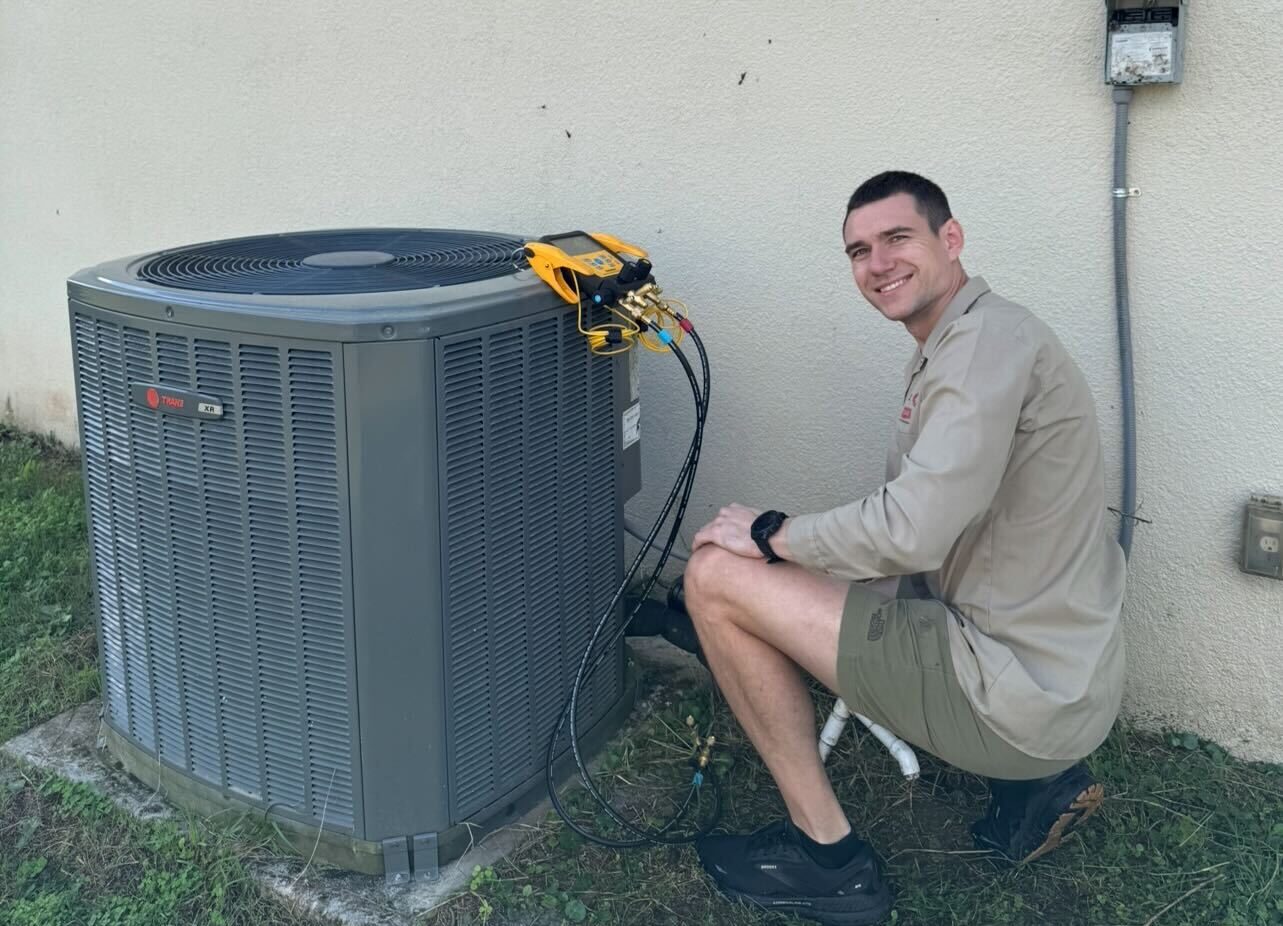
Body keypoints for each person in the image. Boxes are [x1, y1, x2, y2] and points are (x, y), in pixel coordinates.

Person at [682, 170, 1126, 925]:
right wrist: (797, 560)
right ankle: (1031, 787)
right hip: (1058, 677)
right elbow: (929, 536)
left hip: (1012, 692)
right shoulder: (979, 335)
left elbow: (910, 531)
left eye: (896, 239)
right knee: (778, 571)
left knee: (716, 576)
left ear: (949, 240)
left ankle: (826, 859)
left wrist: (769, 535)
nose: (876, 263)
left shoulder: (981, 347)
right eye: (858, 251)